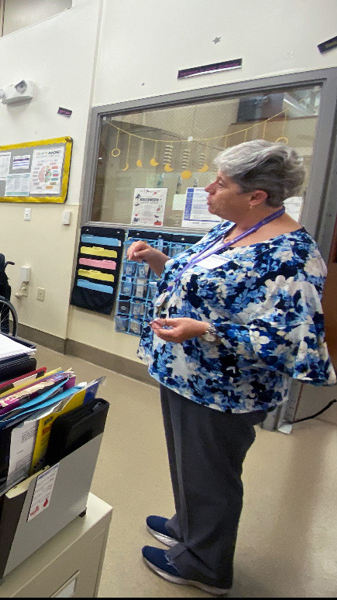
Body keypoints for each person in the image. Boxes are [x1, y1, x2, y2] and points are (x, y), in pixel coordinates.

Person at [128, 140, 336, 596]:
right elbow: (201, 283)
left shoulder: (292, 256)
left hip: (225, 389)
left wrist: (204, 329)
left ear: (256, 195)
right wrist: (159, 261)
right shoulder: (233, 229)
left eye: (220, 184)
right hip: (183, 373)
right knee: (188, 463)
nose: (208, 189)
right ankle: (189, 526)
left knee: (213, 474)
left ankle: (205, 564)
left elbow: (288, 341)